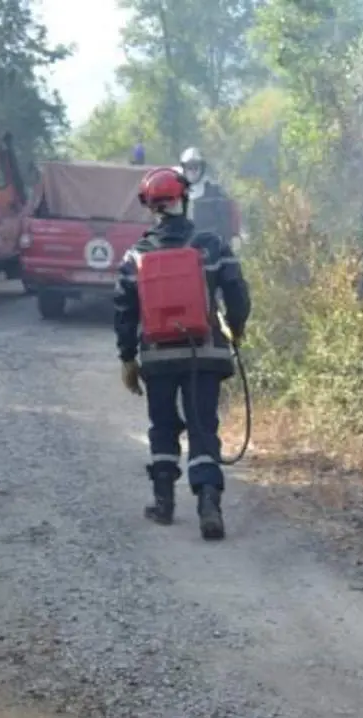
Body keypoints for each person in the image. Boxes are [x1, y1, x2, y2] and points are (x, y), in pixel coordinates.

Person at [113, 167, 251, 539]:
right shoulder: (212, 246)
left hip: (157, 359)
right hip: (204, 355)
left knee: (163, 426)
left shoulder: (136, 255)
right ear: (184, 199)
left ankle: (163, 503)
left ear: (150, 207)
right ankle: (209, 504)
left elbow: (123, 310)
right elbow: (237, 294)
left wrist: (128, 358)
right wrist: (235, 331)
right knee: (203, 427)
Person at [178, 147, 242, 251]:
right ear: (184, 168)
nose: (193, 171)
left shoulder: (215, 192)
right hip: (185, 249)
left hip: (212, 248)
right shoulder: (177, 192)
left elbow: (227, 218)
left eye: (196, 167)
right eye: (190, 167)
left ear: (202, 168)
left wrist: (230, 239)